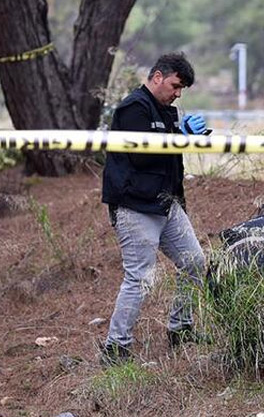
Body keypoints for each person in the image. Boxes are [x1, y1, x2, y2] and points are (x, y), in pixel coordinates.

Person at [100, 52, 210, 365]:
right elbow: (143, 154)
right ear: (157, 76)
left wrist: (189, 135)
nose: (178, 93)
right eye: (175, 85)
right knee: (140, 278)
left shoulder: (167, 112)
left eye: (182, 89)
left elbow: (171, 159)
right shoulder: (134, 106)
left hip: (166, 205)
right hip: (135, 206)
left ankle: (181, 328)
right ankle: (115, 348)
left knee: (193, 262)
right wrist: (178, 136)